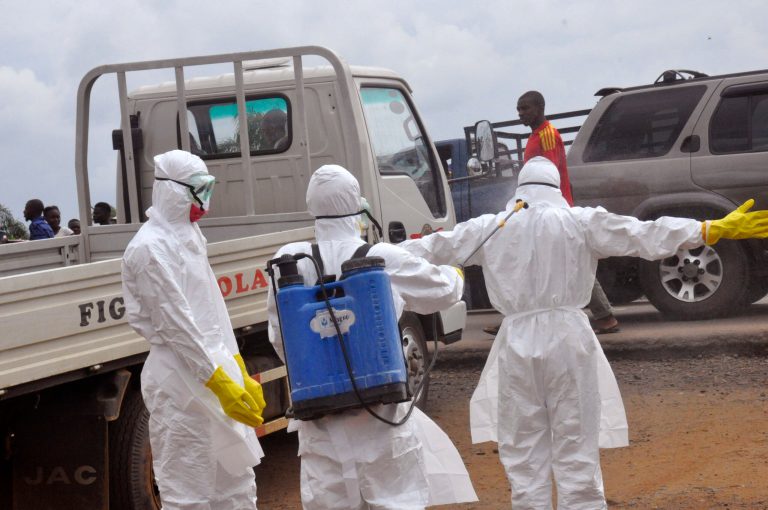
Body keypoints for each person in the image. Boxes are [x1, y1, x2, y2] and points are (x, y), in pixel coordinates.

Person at [401, 156, 768, 509]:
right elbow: (642, 234)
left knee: (523, 452)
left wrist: (362, 252)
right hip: (569, 337)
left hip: (516, 340)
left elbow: (430, 248)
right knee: (577, 446)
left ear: (520, 189)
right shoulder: (579, 221)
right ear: (557, 187)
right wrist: (704, 229)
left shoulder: (491, 227)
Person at [267, 164, 477, 510]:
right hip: (380, 416)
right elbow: (442, 292)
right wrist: (455, 274)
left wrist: (319, 373)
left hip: (320, 423)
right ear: (357, 206)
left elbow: (280, 337)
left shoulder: (290, 264)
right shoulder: (380, 258)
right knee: (395, 500)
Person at [122, 150, 266, 509]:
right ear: (171, 190)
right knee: (190, 489)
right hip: (179, 380)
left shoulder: (190, 237)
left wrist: (239, 368)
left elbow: (213, 311)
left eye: (208, 188)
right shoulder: (149, 249)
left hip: (216, 367)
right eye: (198, 189)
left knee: (235, 477)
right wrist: (218, 381)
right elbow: (178, 326)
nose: (205, 199)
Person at [518, 89, 619, 335]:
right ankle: (523, 318)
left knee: (572, 260)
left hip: (553, 209)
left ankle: (605, 316)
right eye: (519, 110)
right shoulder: (535, 136)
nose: (521, 114)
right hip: (541, 209)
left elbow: (548, 174)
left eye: (525, 109)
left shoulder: (548, 135)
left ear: (539, 109)